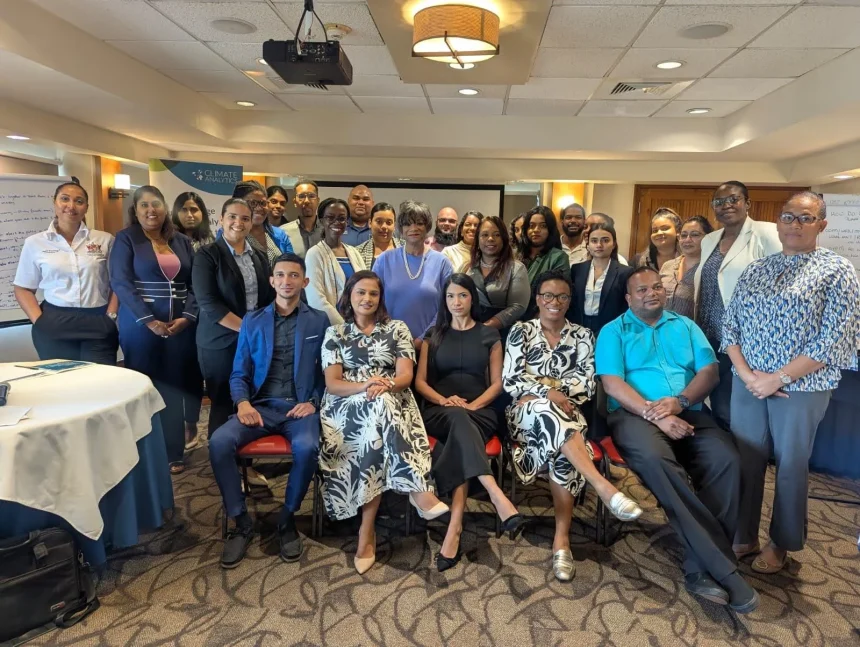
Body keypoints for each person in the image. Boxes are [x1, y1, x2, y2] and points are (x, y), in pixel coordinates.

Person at [596, 267, 758, 613]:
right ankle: (725, 570)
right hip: (634, 415)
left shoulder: (686, 326)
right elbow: (612, 384)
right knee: (658, 462)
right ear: (628, 297)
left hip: (689, 411)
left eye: (657, 287)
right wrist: (657, 415)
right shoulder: (613, 331)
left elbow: (709, 372)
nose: (651, 293)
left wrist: (681, 402)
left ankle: (700, 566)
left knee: (727, 461)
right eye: (642, 290)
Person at [722, 192, 860, 575]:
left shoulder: (837, 270)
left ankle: (781, 542)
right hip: (748, 382)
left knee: (791, 463)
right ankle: (743, 534)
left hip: (802, 387)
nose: (795, 224)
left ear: (822, 225)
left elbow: (835, 339)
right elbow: (730, 325)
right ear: (778, 222)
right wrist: (749, 376)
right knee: (746, 458)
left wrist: (778, 378)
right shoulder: (757, 268)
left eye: (805, 217)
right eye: (788, 217)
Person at [504, 269, 642, 582]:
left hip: (567, 415)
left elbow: (587, 385)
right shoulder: (520, 331)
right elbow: (511, 380)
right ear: (538, 299)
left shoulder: (583, 335)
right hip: (524, 418)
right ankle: (602, 488)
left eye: (562, 296)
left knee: (563, 451)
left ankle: (561, 541)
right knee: (549, 413)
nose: (555, 301)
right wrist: (550, 394)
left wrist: (542, 389)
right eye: (548, 296)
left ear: (569, 301)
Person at [319, 271, 448, 575]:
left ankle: (366, 532)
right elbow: (333, 384)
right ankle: (417, 489)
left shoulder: (397, 329)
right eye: (360, 292)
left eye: (373, 294)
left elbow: (404, 376)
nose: (367, 299)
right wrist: (365, 386)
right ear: (349, 296)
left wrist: (384, 385)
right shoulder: (335, 333)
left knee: (378, 418)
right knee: (377, 411)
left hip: (393, 398)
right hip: (345, 405)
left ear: (381, 298)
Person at [209, 253, 328, 569]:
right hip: (259, 407)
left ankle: (287, 519)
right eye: (281, 275)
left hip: (300, 408)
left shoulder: (319, 321)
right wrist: (243, 403)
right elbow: (239, 373)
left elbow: (327, 373)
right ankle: (240, 522)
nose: (287, 281)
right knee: (219, 442)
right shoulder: (253, 320)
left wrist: (314, 401)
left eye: (294, 275)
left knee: (307, 447)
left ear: (304, 281)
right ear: (272, 281)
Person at [416, 274, 524, 571]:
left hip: (480, 411)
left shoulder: (489, 335)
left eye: (462, 295)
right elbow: (420, 382)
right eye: (450, 296)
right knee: (459, 422)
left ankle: (455, 527)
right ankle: (495, 493)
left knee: (461, 435)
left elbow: (497, 384)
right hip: (440, 410)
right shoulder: (433, 335)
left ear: (472, 299)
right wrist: (443, 400)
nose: (456, 302)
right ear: (444, 300)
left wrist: (474, 405)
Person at [110, 185, 198, 474]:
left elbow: (195, 284)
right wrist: (150, 321)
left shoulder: (181, 240)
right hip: (141, 327)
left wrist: (187, 318)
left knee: (173, 389)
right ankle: (144, 452)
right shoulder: (126, 239)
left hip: (179, 328)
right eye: (144, 205)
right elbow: (121, 283)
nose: (151, 210)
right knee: (144, 389)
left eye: (156, 204)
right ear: (135, 211)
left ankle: (173, 452)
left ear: (165, 208)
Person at [694, 180, 781, 431]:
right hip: (710, 334)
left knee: (739, 404)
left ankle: (743, 450)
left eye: (734, 199)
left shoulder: (766, 233)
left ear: (747, 203)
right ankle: (726, 448)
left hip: (746, 337)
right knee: (718, 400)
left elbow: (783, 281)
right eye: (719, 202)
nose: (727, 205)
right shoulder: (709, 239)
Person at [192, 198, 274, 437]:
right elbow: (209, 303)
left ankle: (242, 453)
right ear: (221, 220)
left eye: (245, 218)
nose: (239, 222)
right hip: (220, 341)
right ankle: (219, 452)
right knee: (223, 402)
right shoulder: (207, 255)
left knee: (250, 399)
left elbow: (268, 298)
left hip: (253, 341)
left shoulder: (259, 256)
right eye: (232, 217)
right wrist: (248, 330)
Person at [13, 181, 119, 364]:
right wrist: (39, 321)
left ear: (86, 207)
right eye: (65, 199)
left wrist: (111, 316)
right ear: (54, 202)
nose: (71, 206)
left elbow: (117, 282)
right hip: (54, 322)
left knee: (101, 378)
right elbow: (23, 288)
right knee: (61, 378)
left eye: (79, 201)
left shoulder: (104, 240)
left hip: (98, 321)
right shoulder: (35, 243)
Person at [372, 200, 453, 347]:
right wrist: (393, 336)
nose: (413, 228)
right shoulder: (384, 260)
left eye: (419, 223)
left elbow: (447, 305)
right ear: (400, 228)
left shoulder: (442, 263)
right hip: (388, 342)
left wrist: (423, 339)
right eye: (407, 224)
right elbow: (373, 300)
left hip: (431, 343)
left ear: (427, 226)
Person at [464, 214, 529, 337]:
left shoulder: (516, 268)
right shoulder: (467, 268)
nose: (490, 239)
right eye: (484, 235)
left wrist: (485, 328)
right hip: (471, 333)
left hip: (505, 334)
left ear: (504, 239)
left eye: (497, 235)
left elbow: (518, 307)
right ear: (477, 239)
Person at [304, 198, 366, 324]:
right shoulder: (314, 254)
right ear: (321, 221)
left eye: (341, 218)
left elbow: (366, 287)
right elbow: (316, 299)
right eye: (330, 217)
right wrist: (343, 327)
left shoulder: (354, 252)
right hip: (330, 326)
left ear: (347, 222)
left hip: (358, 324)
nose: (336, 222)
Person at [568, 223, 633, 336]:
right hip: (578, 326)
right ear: (588, 245)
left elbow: (627, 306)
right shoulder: (577, 269)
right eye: (594, 241)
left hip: (611, 328)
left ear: (614, 244)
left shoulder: (625, 272)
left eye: (605, 240)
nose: (599, 245)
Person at [521, 206, 569, 318]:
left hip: (541, 319)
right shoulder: (516, 256)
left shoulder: (558, 257)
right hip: (510, 317)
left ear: (550, 230)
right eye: (531, 226)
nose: (536, 230)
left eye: (543, 226)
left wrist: (534, 323)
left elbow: (558, 294)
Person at [660, 216, 713, 319]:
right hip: (661, 327)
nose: (687, 240)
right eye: (683, 235)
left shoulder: (709, 270)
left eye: (695, 235)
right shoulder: (667, 266)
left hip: (692, 328)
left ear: (708, 238)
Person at [232, 180, 293, 267]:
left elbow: (292, 265)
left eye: (263, 203)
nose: (259, 208)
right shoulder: (229, 235)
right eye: (252, 203)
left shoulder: (279, 234)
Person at [280, 179, 323, 257]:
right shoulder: (283, 232)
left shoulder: (328, 230)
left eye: (311, 196)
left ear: (318, 201)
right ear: (295, 202)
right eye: (301, 196)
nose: (306, 201)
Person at [357, 201, 401, 269]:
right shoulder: (358, 252)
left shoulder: (406, 247)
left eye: (389, 222)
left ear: (394, 225)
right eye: (379, 222)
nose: (384, 226)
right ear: (370, 223)